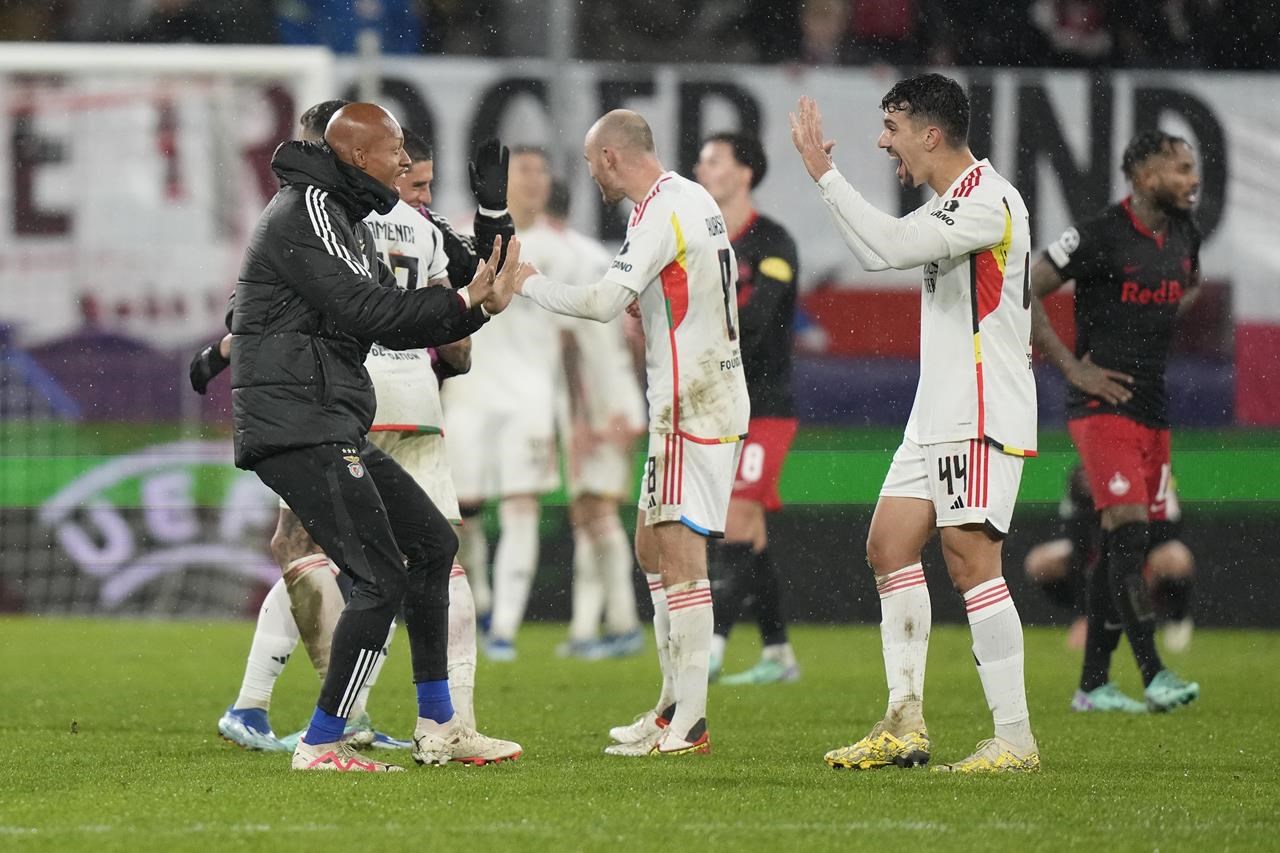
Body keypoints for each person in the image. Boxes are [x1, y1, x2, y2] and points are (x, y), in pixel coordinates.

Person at [196, 102, 510, 754]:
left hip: (330, 416)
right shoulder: (308, 207)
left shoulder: (352, 217)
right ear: (360, 154)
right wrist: (465, 299)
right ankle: (325, 738)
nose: (405, 160)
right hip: (298, 422)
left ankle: (439, 723)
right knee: (375, 577)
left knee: (429, 544)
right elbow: (366, 308)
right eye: (396, 149)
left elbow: (393, 317)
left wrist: (473, 304)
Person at [792, 75, 1040, 773]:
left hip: (980, 406)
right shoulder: (951, 202)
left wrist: (825, 175)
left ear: (931, 134)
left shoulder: (987, 200)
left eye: (892, 127)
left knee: (971, 562)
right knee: (889, 545)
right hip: (938, 406)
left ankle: (1015, 737)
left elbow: (889, 249)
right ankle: (904, 718)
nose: (883, 141)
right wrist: (829, 182)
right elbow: (885, 249)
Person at [512, 109, 750, 756]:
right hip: (698, 394)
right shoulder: (691, 198)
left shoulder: (659, 212)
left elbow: (600, 303)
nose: (589, 174)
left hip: (692, 402)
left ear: (613, 157)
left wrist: (528, 283)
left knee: (680, 553)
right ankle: (671, 703)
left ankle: (691, 721)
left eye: (592, 162)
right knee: (650, 545)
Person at [1030, 129, 1202, 713]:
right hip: (1101, 407)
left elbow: (1186, 284)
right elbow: (1023, 287)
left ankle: (1093, 686)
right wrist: (1072, 368)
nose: (1192, 178)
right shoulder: (1100, 234)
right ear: (1146, 177)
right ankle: (1154, 674)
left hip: (1153, 408)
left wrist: (1144, 327)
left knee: (1122, 543)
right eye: (1181, 168)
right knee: (1129, 531)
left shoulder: (1183, 233)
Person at [440, 146, 572, 662]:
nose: (536, 180)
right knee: (462, 513)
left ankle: (505, 629)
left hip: (531, 398)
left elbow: (582, 341)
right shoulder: (460, 236)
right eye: (524, 170)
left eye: (543, 170)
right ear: (497, 180)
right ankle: (482, 603)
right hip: (469, 394)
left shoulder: (569, 250)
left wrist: (587, 411)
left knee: (520, 508)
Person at [694, 131, 801, 685]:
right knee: (749, 535)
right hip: (716, 404)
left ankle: (710, 650)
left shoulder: (773, 243)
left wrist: (705, 349)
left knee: (735, 520)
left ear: (743, 173)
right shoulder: (701, 240)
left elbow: (761, 320)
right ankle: (779, 654)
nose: (701, 168)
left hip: (765, 406)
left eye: (713, 160)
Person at [539, 176, 648, 661]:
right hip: (618, 392)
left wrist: (582, 419)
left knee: (596, 512)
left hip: (594, 402)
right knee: (589, 514)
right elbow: (633, 336)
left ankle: (622, 623)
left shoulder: (553, 256)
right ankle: (590, 627)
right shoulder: (597, 254)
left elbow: (567, 345)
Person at [1024, 465, 1196, 657]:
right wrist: (1084, 613)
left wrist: (1133, 557)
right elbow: (1078, 544)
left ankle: (1176, 618)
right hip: (1099, 552)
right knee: (1039, 562)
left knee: (1174, 557)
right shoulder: (1083, 474)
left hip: (1143, 553)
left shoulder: (1155, 471)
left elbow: (1169, 527)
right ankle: (1096, 616)